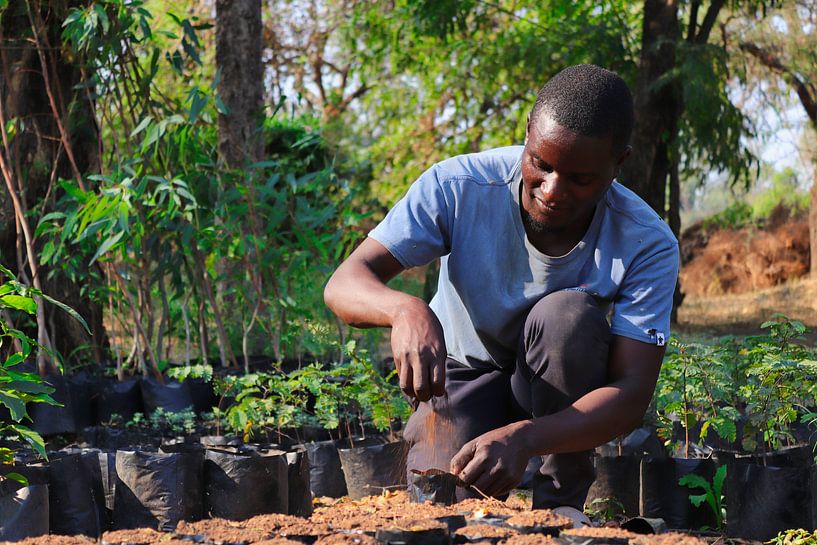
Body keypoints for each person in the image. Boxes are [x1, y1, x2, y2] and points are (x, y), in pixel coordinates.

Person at [324, 64, 679, 523]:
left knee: (567, 318)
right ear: (528, 133)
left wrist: (526, 438)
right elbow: (345, 282)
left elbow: (630, 393)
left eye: (580, 179)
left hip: (558, 394)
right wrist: (404, 309)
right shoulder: (461, 187)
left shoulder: (644, 240)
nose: (552, 190)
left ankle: (560, 510)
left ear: (619, 164)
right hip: (463, 374)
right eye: (541, 165)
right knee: (444, 512)